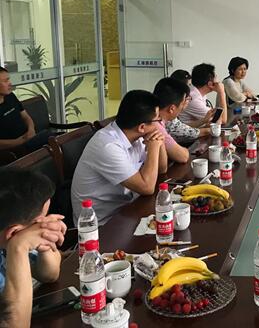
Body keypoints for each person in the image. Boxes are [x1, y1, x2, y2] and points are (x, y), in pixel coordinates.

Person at [71, 90, 168, 225]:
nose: (159, 123)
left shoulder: (133, 134)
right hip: (101, 224)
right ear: (142, 127)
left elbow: (162, 169)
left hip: (126, 209)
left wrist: (159, 142)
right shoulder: (108, 146)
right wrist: (154, 147)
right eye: (157, 120)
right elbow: (147, 187)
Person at [0, 168, 66, 327]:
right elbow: (15, 324)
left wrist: (45, 236)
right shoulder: (16, 242)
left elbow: (49, 274)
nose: (45, 224)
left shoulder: (7, 236)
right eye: (39, 222)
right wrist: (19, 246)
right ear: (14, 232)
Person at [0, 67, 52, 152]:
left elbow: (26, 117)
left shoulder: (10, 96)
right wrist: (20, 141)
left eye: (9, 79)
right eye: (5, 81)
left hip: (30, 139)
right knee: (52, 138)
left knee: (58, 139)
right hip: (13, 150)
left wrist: (31, 130)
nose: (10, 83)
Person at [153, 78, 191, 163]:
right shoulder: (154, 124)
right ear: (172, 109)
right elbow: (183, 156)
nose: (183, 107)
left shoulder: (155, 117)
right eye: (183, 103)